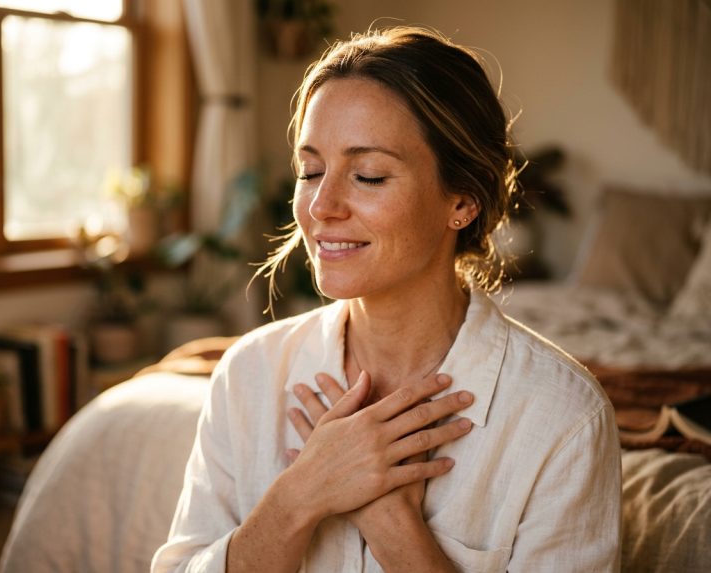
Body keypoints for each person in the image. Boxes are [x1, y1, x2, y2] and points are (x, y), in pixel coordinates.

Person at [152, 26, 621, 573]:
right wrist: (299, 495)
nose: (322, 205)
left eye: (368, 175)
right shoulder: (248, 374)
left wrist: (392, 523)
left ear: (462, 201)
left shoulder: (563, 418)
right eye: (311, 171)